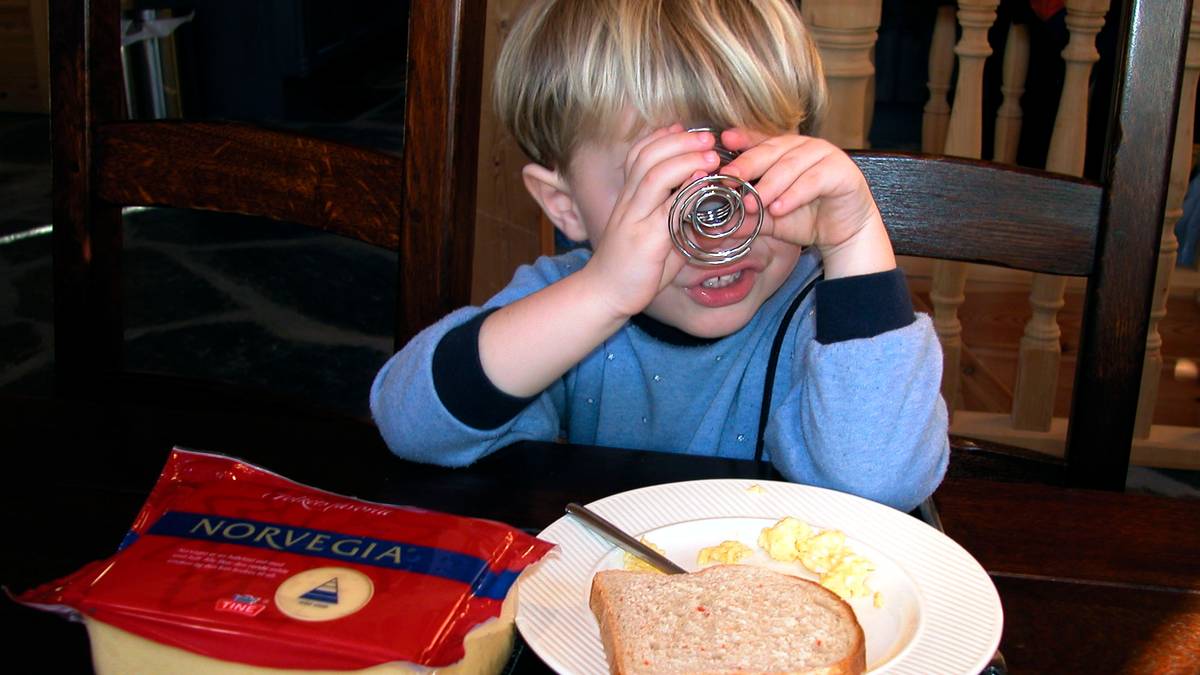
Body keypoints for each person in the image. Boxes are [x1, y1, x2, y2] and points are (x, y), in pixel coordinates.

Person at [370, 0, 948, 512]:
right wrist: (600, 294)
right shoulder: (567, 300)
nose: (715, 227)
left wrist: (853, 242)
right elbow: (411, 425)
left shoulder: (824, 326)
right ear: (564, 205)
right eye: (664, 186)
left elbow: (881, 486)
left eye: (746, 175)